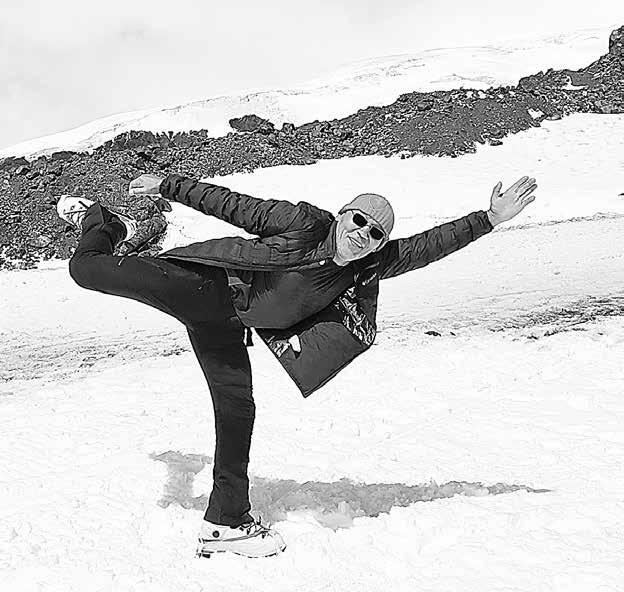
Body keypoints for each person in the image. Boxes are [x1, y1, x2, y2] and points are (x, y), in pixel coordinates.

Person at [56, 172, 537, 558]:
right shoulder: (303, 223)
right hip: (203, 283)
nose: (363, 235)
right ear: (343, 215)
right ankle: (104, 223)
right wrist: (169, 186)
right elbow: (234, 205)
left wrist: (489, 218)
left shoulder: (370, 263)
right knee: (86, 269)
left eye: (375, 233)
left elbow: (429, 246)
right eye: (359, 221)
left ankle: (226, 522)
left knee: (237, 410)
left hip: (228, 326)